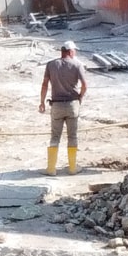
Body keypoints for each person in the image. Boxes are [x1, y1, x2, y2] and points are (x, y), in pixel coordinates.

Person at [39, 37, 87, 175]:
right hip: (72, 104)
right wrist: (80, 97)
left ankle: (51, 168)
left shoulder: (51, 65)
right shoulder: (77, 65)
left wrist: (42, 102)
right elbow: (84, 85)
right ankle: (72, 168)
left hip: (57, 105)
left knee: (55, 136)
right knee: (72, 136)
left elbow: (44, 84)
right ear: (71, 52)